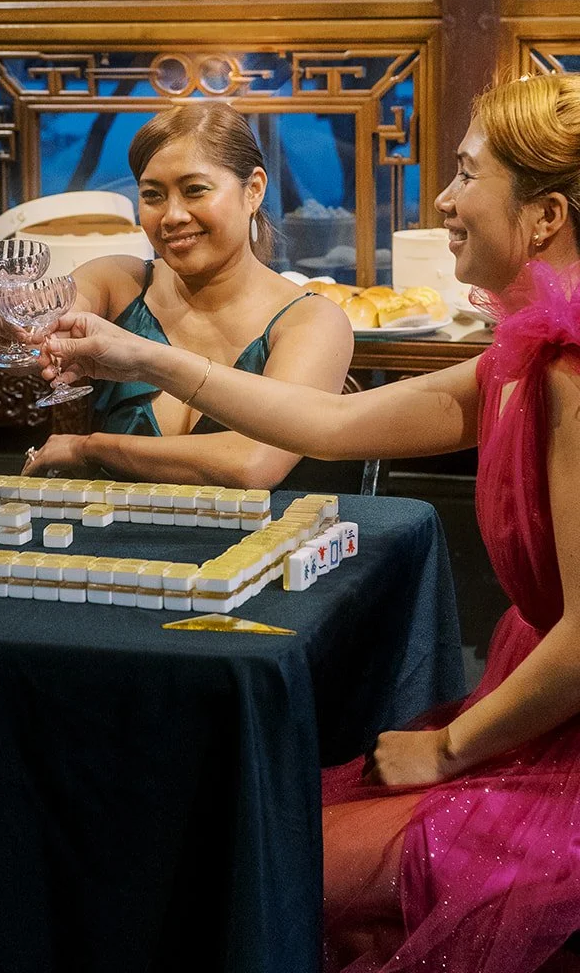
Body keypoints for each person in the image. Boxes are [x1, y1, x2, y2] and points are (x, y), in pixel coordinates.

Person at [39, 72, 580, 973]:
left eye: (466, 176)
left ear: (546, 215)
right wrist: (138, 354)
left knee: (261, 866)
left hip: (561, 757)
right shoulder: (521, 355)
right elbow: (328, 424)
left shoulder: (571, 371)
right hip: (534, 717)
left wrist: (450, 748)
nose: (442, 201)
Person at [21, 102, 353, 488]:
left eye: (195, 190)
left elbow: (253, 463)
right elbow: (45, 326)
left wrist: (91, 448)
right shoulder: (119, 281)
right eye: (153, 195)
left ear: (254, 190)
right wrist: (10, 326)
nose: (172, 216)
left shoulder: (311, 321)